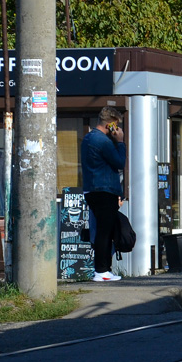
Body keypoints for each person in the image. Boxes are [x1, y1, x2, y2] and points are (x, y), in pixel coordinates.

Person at [81, 107, 126, 282]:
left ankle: (104, 270)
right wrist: (120, 142)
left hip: (93, 189)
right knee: (104, 231)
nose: (118, 129)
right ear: (111, 124)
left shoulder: (89, 138)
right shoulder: (103, 141)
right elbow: (119, 162)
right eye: (117, 125)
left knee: (103, 230)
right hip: (104, 190)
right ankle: (101, 270)